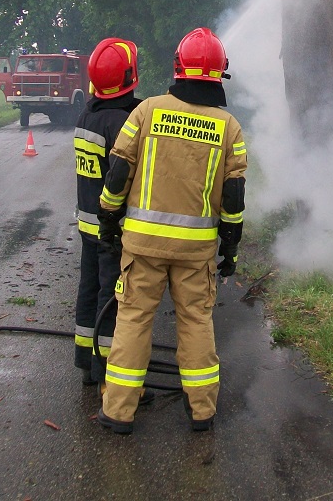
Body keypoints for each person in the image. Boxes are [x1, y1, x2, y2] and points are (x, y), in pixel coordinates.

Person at [96, 27, 248, 436]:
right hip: (196, 253)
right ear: (221, 73)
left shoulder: (145, 112)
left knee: (132, 321)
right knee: (196, 322)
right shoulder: (229, 127)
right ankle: (202, 411)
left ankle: (118, 412)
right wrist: (230, 249)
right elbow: (233, 199)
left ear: (178, 67)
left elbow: (118, 174)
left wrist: (108, 222)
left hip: (142, 246)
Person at [73, 36, 145, 391]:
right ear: (129, 75)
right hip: (111, 226)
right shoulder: (122, 124)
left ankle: (86, 362)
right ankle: (108, 373)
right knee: (111, 298)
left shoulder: (89, 113)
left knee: (88, 290)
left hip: (87, 221)